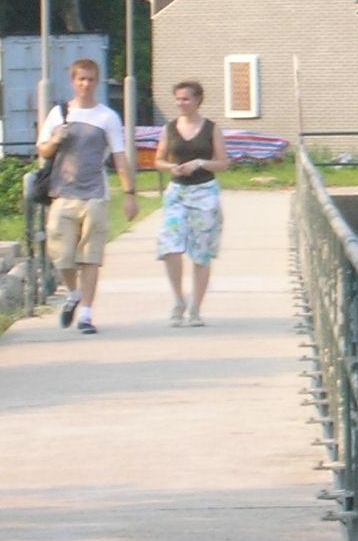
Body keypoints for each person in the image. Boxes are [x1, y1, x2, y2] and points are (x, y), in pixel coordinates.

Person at [37, 59, 138, 335]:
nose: (86, 84)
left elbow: (119, 157)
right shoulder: (59, 114)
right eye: (81, 79)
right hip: (62, 193)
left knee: (90, 257)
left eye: (91, 79)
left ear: (97, 82)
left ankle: (87, 315)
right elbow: (43, 151)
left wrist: (130, 194)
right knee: (61, 255)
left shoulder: (107, 117)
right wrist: (56, 139)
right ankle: (74, 293)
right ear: (73, 81)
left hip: (94, 194)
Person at [154, 80, 228, 326]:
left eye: (186, 99)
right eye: (178, 99)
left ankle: (196, 307)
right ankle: (178, 299)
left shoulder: (211, 129)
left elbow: (223, 163)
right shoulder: (169, 128)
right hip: (178, 192)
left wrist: (199, 163)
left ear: (197, 100)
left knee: (201, 252)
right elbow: (158, 160)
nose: (181, 103)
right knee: (170, 246)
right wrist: (172, 167)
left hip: (204, 192)